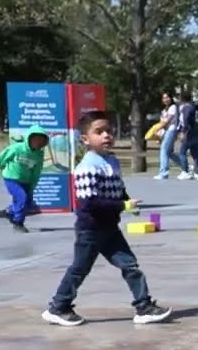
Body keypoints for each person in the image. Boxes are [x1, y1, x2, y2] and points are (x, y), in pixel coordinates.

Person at [42, 111, 172, 327]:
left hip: (110, 228)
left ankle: (144, 307)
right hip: (90, 230)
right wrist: (122, 205)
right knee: (79, 269)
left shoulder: (111, 161)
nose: (106, 136)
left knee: (130, 265)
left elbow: (118, 189)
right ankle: (58, 307)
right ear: (85, 139)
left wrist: (127, 201)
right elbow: (88, 203)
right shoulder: (87, 167)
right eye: (99, 132)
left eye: (109, 131)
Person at [0, 125, 49, 233]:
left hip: (26, 180)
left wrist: (32, 185)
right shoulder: (17, 148)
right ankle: (18, 222)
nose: (38, 142)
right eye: (35, 139)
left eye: (41, 140)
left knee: (27, 202)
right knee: (21, 197)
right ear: (29, 138)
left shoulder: (38, 155)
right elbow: (3, 156)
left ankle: (10, 211)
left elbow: (36, 171)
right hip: (11, 178)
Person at [176, 91, 198, 180]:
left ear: (182, 98)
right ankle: (197, 172)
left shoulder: (186, 107)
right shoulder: (195, 106)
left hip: (189, 132)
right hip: (197, 132)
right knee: (196, 153)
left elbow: (185, 119)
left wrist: (183, 131)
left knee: (182, 152)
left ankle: (185, 171)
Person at [153, 91, 180, 180]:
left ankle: (163, 173)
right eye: (164, 98)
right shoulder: (164, 110)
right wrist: (159, 134)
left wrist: (156, 129)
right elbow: (162, 122)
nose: (165, 99)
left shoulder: (173, 107)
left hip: (171, 130)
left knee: (164, 150)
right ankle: (186, 166)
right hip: (165, 132)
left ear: (171, 98)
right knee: (169, 153)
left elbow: (167, 121)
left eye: (167, 97)